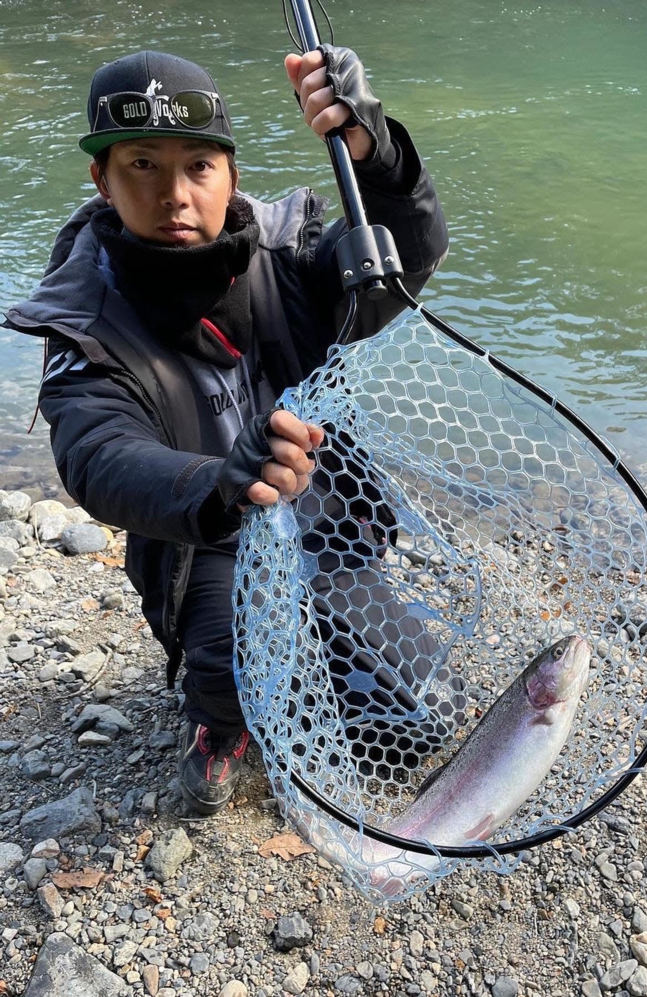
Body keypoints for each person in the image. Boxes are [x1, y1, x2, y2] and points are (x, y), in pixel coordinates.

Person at [5, 46, 453, 814]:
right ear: (102, 182)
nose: (174, 194)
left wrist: (377, 155)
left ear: (232, 176)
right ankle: (219, 722)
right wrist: (223, 479)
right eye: (141, 164)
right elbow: (96, 456)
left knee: (411, 715)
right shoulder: (85, 316)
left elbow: (401, 262)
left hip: (327, 530)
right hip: (204, 547)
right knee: (228, 668)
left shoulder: (293, 253)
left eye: (198, 167)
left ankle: (317, 659)